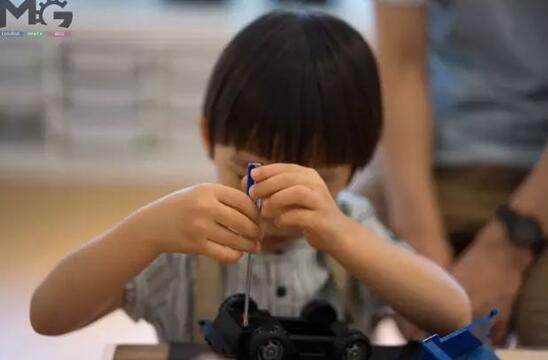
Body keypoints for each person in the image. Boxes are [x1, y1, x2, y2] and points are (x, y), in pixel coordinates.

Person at [30, 10, 470, 343]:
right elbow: (47, 316)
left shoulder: (353, 227)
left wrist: (342, 234)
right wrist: (144, 232)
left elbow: (454, 313)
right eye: (249, 172)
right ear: (207, 137)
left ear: (359, 165)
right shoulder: (181, 238)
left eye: (314, 182)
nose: (273, 207)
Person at [355, 0, 548, 346]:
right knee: (320, 261)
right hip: (434, 162)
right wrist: (422, 249)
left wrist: (503, 253)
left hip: (538, 181)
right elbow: (400, 66)